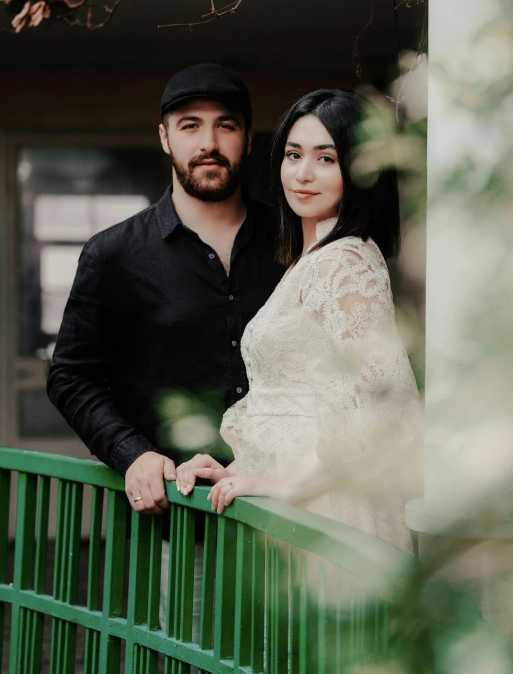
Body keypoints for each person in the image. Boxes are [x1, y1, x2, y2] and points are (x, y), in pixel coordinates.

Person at [47, 63, 285, 622]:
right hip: (180, 525)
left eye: (226, 125)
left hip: (287, 511)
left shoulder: (292, 244)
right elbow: (71, 376)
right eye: (189, 125)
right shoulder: (114, 254)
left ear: (248, 140)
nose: (208, 142)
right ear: (164, 136)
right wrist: (132, 454)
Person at [175, 88, 422, 553]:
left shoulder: (345, 261)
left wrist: (289, 487)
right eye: (293, 155)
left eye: (326, 159)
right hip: (297, 503)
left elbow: (382, 404)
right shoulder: (311, 258)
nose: (303, 174)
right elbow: (301, 401)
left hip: (325, 507)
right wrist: (234, 470)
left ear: (361, 169)